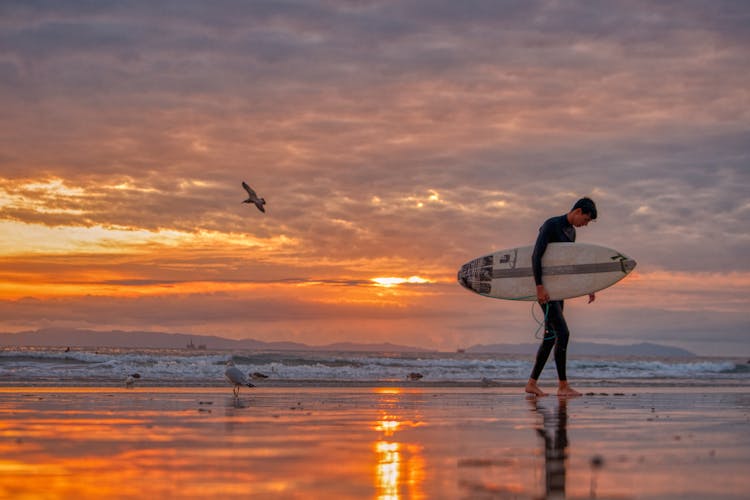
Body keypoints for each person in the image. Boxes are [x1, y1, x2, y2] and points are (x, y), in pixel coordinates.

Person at [525, 197, 597, 397]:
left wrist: (587, 286)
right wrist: (539, 287)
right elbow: (535, 256)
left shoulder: (571, 233)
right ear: (578, 211)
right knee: (563, 333)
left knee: (551, 337)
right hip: (546, 291)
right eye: (586, 219)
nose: (585, 224)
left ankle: (532, 383)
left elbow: (568, 266)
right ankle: (563, 386)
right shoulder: (551, 225)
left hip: (559, 291)